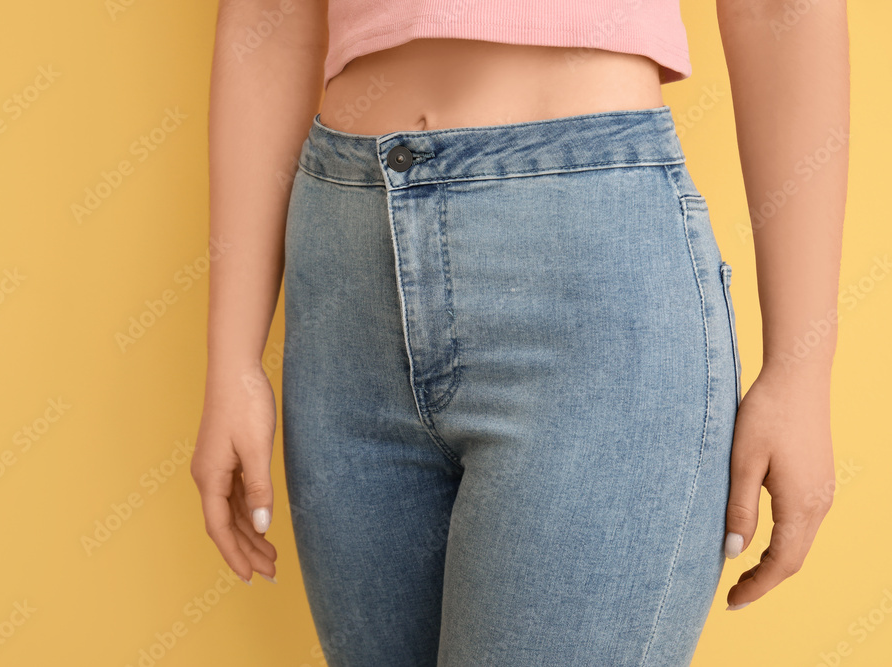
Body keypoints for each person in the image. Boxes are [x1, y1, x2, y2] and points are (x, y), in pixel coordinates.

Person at [191, 0, 849, 664]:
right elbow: (267, 17)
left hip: (587, 276)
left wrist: (800, 367)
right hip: (346, 272)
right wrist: (233, 361)